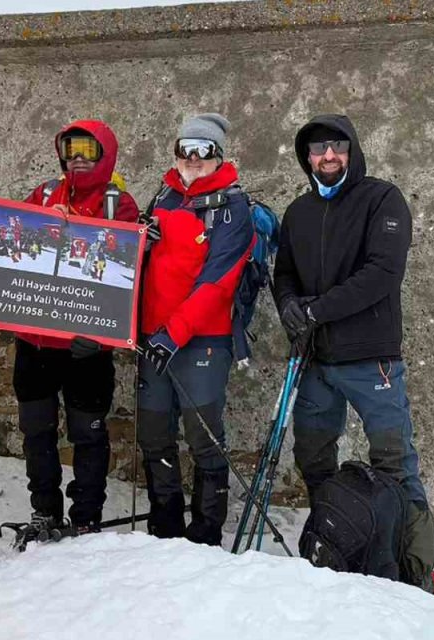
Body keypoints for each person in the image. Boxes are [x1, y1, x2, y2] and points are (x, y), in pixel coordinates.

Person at [273, 114, 434, 590]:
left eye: (337, 147)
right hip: (316, 362)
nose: (328, 156)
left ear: (352, 150)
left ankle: (413, 572)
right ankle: (343, 542)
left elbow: (383, 273)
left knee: (394, 462)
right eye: (318, 149)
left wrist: (316, 311)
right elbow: (283, 272)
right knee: (314, 457)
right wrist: (287, 305)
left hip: (371, 360)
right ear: (307, 158)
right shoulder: (298, 212)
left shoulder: (381, 200)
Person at [6, 120, 139, 544]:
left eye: (88, 150)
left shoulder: (121, 206)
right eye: (71, 150)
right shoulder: (45, 195)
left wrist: (103, 335)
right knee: (37, 428)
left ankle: (86, 515)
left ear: (106, 155)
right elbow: (15, 244)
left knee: (88, 431)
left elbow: (130, 278)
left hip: (85, 346)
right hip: (36, 340)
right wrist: (45, 222)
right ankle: (44, 510)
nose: (78, 159)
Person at [137, 113, 255, 545]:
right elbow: (148, 267)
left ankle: (205, 531)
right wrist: (141, 242)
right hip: (153, 339)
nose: (192, 159)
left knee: (203, 436)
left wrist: (175, 334)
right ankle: (164, 523)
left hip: (200, 340)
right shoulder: (164, 196)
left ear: (218, 155)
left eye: (203, 151)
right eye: (184, 150)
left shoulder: (232, 208)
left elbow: (218, 283)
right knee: (154, 435)